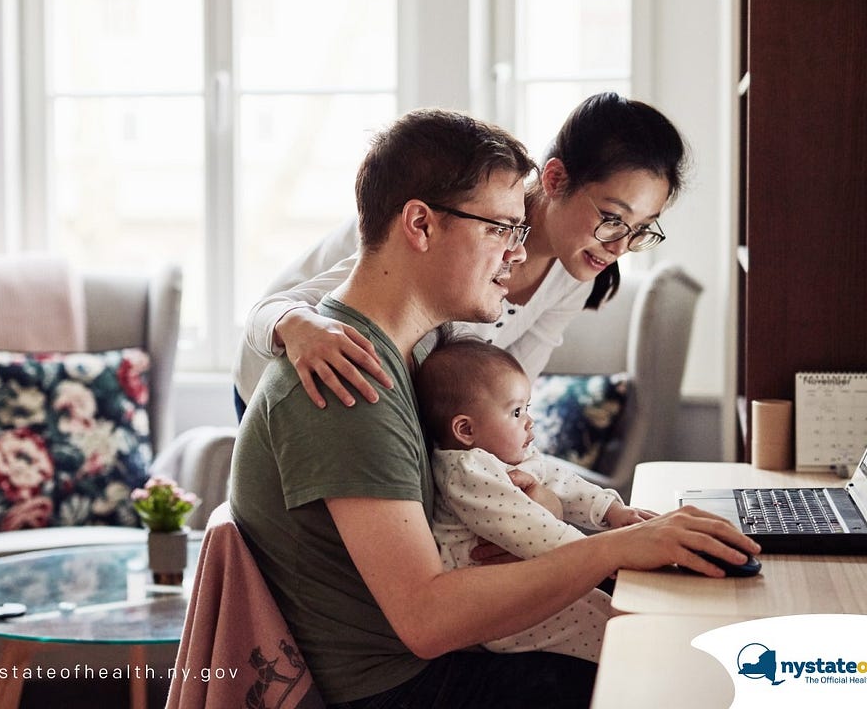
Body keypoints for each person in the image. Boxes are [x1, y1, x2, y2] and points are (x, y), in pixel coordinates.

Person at [229, 107, 759, 709]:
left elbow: (507, 424)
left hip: (419, 652)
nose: (516, 255)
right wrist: (610, 550)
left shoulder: (425, 347)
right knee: (673, 683)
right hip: (400, 682)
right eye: (502, 230)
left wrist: (577, 516)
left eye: (518, 232)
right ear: (423, 226)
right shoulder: (350, 372)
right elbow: (427, 619)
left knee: (667, 658)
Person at [232, 91, 688, 417]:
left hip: (373, 390)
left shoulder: (574, 272)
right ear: (554, 179)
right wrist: (298, 326)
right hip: (275, 370)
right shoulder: (454, 226)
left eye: (641, 230)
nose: (620, 246)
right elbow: (268, 311)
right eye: (612, 217)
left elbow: (508, 389)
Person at [415, 335, 659, 663]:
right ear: (466, 430)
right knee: (613, 634)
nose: (530, 420)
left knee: (622, 615)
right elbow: (529, 529)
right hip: (499, 609)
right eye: (516, 412)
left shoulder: (508, 456)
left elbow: (561, 482)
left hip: (533, 577)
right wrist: (606, 556)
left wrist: (612, 511)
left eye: (527, 408)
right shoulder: (467, 470)